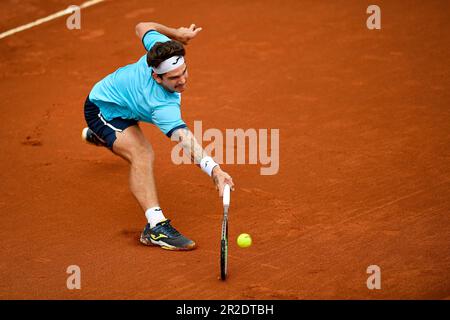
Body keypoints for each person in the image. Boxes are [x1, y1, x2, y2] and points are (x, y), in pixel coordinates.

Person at [82, 22, 234, 251]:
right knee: (142, 153)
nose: (182, 80)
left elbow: (142, 25)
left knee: (134, 146)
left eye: (184, 72)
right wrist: (214, 170)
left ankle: (106, 138)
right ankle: (156, 227)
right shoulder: (162, 106)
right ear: (157, 77)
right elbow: (184, 138)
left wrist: (177, 35)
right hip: (104, 109)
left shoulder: (160, 48)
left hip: (127, 105)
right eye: (173, 78)